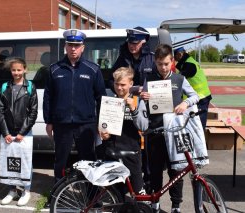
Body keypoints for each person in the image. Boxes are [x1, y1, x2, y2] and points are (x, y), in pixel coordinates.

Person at [140, 44, 199, 213]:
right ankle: (155, 202)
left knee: (177, 170)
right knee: (155, 171)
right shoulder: (150, 79)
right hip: (155, 132)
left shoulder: (179, 79)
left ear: (172, 61)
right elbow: (143, 104)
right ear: (155, 63)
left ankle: (176, 206)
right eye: (159, 64)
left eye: (166, 63)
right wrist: (144, 97)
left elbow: (195, 96)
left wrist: (184, 103)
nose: (163, 67)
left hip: (176, 133)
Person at [43, 29, 106, 182]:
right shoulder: (54, 69)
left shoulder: (93, 69)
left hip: (86, 124)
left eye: (77, 45)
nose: (73, 48)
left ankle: (90, 195)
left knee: (88, 161)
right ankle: (57, 194)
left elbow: (101, 98)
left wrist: (102, 123)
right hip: (61, 124)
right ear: (65, 46)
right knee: (60, 160)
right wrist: (49, 121)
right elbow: (48, 97)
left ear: (83, 47)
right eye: (70, 44)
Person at [99, 66, 148, 196]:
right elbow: (103, 130)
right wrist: (103, 134)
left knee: (137, 192)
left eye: (123, 84)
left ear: (131, 84)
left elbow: (143, 127)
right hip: (112, 152)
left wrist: (134, 109)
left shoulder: (138, 101)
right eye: (116, 84)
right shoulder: (110, 101)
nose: (119, 88)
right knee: (116, 194)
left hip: (131, 153)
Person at [0, 57, 38, 206]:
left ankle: (26, 190)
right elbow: (0, 111)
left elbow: (33, 113)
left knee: (25, 162)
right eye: (14, 70)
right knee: (10, 161)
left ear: (25, 70)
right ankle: (12, 190)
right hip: (8, 132)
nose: (16, 72)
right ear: (10, 71)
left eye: (19, 70)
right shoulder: (5, 87)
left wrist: (22, 132)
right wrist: (5, 132)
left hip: (24, 133)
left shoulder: (30, 87)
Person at [174, 47, 212, 129]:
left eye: (175, 57)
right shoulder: (189, 62)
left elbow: (178, 79)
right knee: (194, 124)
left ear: (180, 54)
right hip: (199, 97)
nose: (175, 59)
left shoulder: (189, 65)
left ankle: (201, 142)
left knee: (199, 126)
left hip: (201, 98)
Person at [110, 26, 155, 91]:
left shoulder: (152, 59)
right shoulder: (122, 59)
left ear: (143, 42)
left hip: (146, 99)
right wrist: (120, 92)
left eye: (135, 43)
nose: (131, 45)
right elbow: (111, 80)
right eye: (130, 42)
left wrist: (147, 91)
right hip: (127, 98)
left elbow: (159, 82)